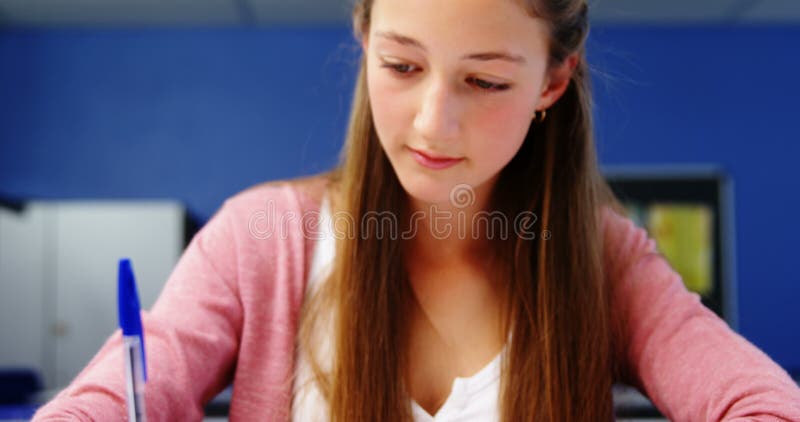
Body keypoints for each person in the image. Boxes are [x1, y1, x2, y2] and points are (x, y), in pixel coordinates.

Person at [33, 0, 800, 420]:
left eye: (487, 82)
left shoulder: (606, 261)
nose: (434, 123)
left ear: (552, 84)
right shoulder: (258, 241)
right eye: (401, 66)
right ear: (364, 39)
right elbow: (105, 402)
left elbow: (764, 404)